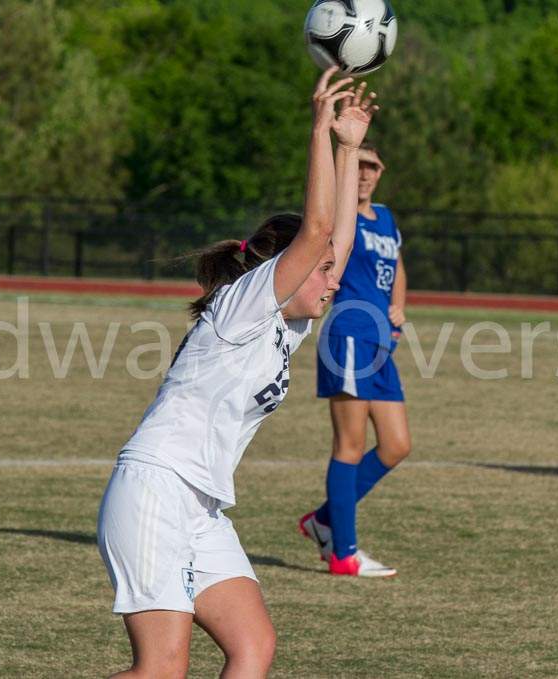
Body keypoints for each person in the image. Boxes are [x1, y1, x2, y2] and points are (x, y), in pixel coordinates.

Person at [96, 67, 377, 678]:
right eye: (321, 269)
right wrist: (319, 132)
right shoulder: (248, 303)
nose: (333, 280)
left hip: (200, 507)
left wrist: (350, 149)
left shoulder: (289, 324)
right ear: (282, 265)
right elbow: (322, 230)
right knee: (162, 671)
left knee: (254, 647)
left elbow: (339, 244)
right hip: (155, 491)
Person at [297, 140, 409, 577]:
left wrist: (398, 310)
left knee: (397, 445)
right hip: (347, 337)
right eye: (359, 164)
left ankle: (324, 519)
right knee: (350, 444)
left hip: (380, 343)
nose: (364, 173)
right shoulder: (340, 219)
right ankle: (343, 553)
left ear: (381, 172)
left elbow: (397, 268)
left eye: (372, 166)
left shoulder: (385, 218)